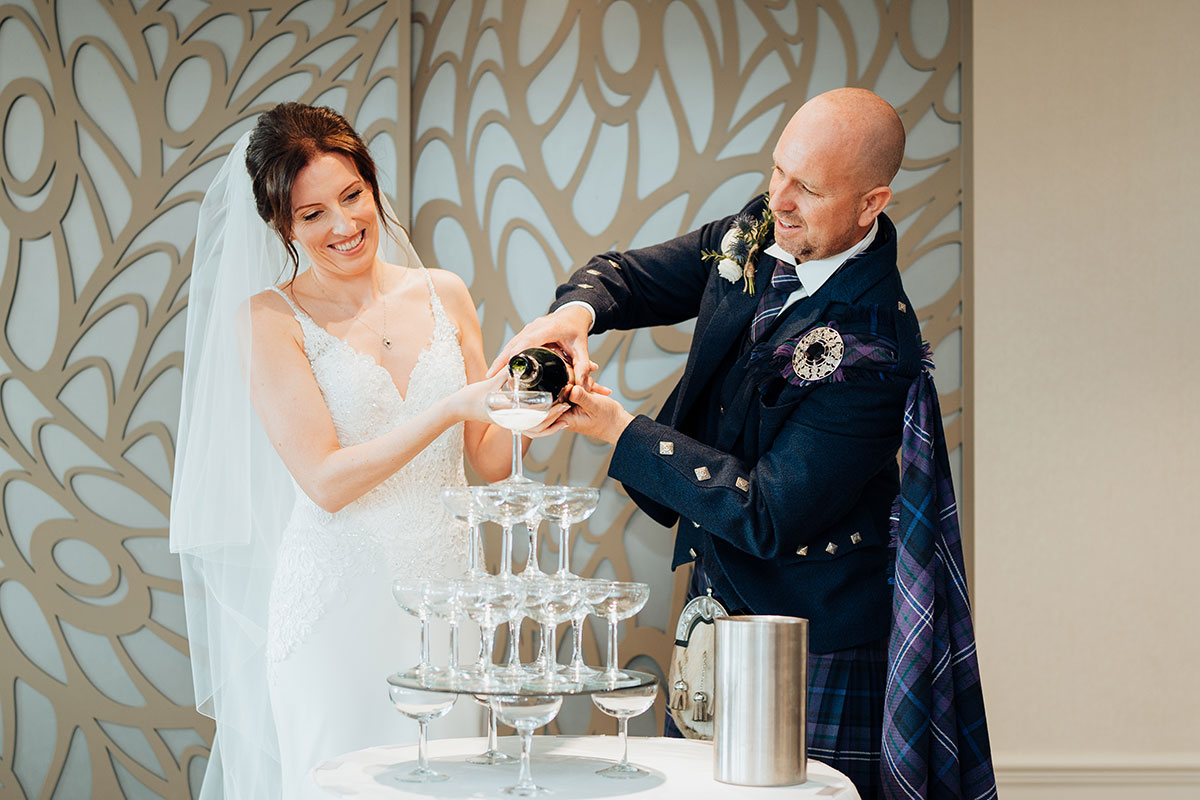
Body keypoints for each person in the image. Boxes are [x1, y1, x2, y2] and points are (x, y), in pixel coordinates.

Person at [494, 88, 994, 799]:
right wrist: (575, 315)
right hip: (716, 601)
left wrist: (616, 429)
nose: (778, 199)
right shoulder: (762, 228)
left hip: (811, 635)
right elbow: (629, 279)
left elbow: (766, 511)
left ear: (870, 204)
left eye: (808, 188)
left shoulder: (877, 347)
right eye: (778, 170)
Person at [170, 103, 562, 799]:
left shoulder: (445, 294)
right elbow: (325, 480)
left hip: (447, 603)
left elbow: (487, 460)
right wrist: (452, 406)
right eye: (312, 213)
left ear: (374, 187)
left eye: (353, 196)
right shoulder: (269, 319)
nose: (344, 225)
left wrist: (532, 407)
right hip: (339, 609)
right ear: (282, 226)